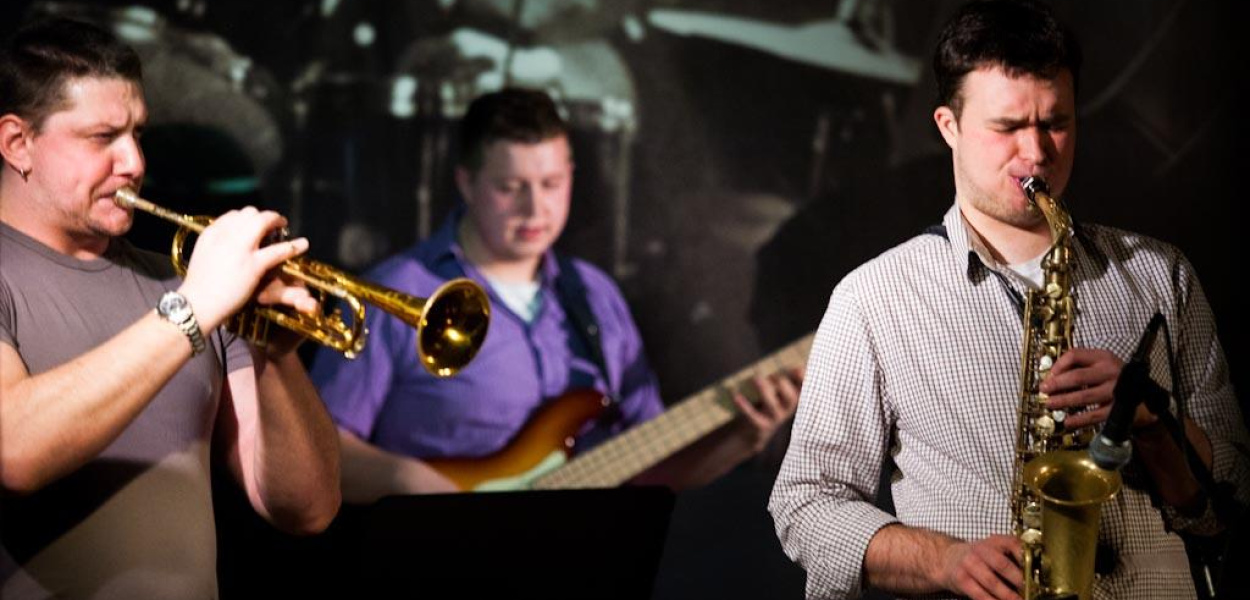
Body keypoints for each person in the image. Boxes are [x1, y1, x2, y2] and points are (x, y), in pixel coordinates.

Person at [768, 1, 1250, 599]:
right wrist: (944, 561)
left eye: (1056, 122)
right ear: (948, 126)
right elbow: (807, 504)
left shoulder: (1161, 274)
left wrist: (1152, 423)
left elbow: (1230, 498)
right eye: (1008, 127)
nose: (1038, 151)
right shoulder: (873, 299)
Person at [311, 87, 800, 501]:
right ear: (466, 183)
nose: (535, 208)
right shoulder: (394, 292)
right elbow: (320, 449)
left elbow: (650, 471)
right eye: (510, 187)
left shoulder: (595, 294)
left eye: (551, 183)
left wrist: (744, 436)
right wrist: (407, 481)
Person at [0, 18, 341, 598]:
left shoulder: (183, 283)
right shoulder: (195, 296)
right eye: (103, 137)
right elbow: (16, 451)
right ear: (17, 143)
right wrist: (195, 306)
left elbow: (307, 509)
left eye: (138, 133)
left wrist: (275, 355)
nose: (134, 161)